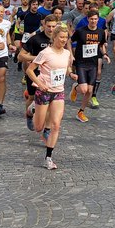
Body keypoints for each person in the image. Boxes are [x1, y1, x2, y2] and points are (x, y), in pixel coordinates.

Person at [27, 23, 76, 170]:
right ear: (54, 37)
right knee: (38, 127)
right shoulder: (46, 53)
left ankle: (49, 157)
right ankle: (31, 111)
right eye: (61, 37)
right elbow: (30, 70)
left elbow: (66, 68)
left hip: (58, 92)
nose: (63, 40)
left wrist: (71, 73)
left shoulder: (67, 53)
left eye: (65, 37)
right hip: (43, 92)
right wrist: (40, 84)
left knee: (56, 125)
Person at [19, 15, 59, 131]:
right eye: (48, 26)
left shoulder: (58, 39)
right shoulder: (35, 39)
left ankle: (47, 128)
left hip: (51, 75)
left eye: (53, 26)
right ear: (43, 25)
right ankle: (29, 115)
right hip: (35, 73)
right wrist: (37, 58)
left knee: (49, 101)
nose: (51, 29)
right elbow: (21, 56)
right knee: (32, 98)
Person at [70, 10, 110, 123]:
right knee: (83, 90)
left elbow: (101, 45)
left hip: (93, 63)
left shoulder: (101, 32)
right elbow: (69, 41)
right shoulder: (80, 31)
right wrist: (70, 55)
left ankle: (81, 112)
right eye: (91, 19)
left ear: (98, 20)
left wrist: (105, 55)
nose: (93, 21)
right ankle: (75, 87)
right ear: (88, 19)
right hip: (81, 62)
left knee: (89, 90)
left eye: (95, 19)